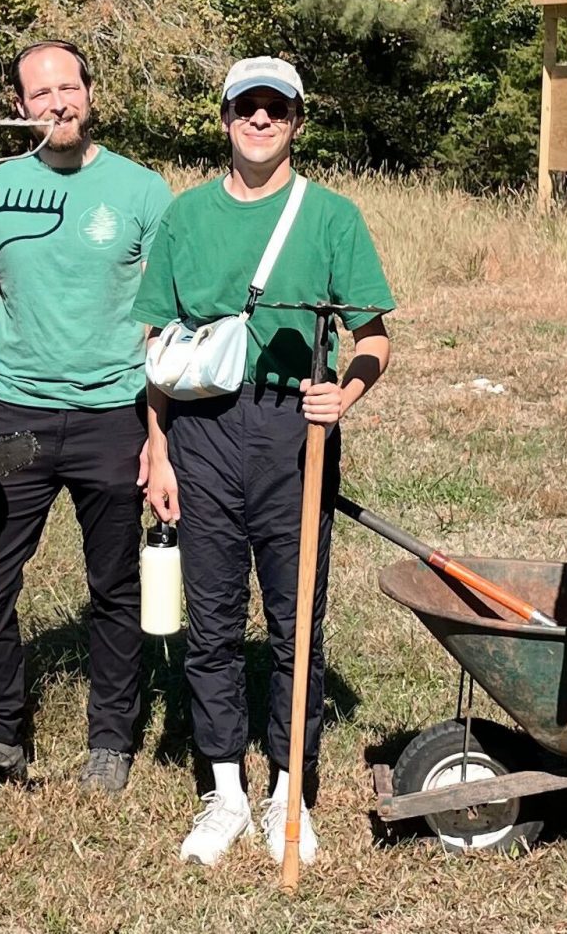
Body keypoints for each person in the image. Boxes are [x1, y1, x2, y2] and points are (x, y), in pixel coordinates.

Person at [131, 56, 395, 868]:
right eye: (246, 106)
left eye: (276, 107)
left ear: (296, 121)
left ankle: (288, 791)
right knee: (209, 623)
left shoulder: (331, 217)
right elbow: (156, 348)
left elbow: (374, 336)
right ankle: (225, 791)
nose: (260, 119)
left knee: (294, 625)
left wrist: (342, 398)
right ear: (224, 119)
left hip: (295, 438)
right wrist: (159, 447)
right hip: (202, 436)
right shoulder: (184, 218)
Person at [0, 40, 176, 793]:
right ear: (19, 107)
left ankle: (111, 737)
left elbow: (165, 318)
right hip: (17, 411)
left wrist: (156, 431)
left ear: (90, 94)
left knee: (114, 586)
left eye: (68, 88)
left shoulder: (142, 191)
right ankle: (0, 731)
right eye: (40, 95)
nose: (57, 104)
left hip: (113, 412)